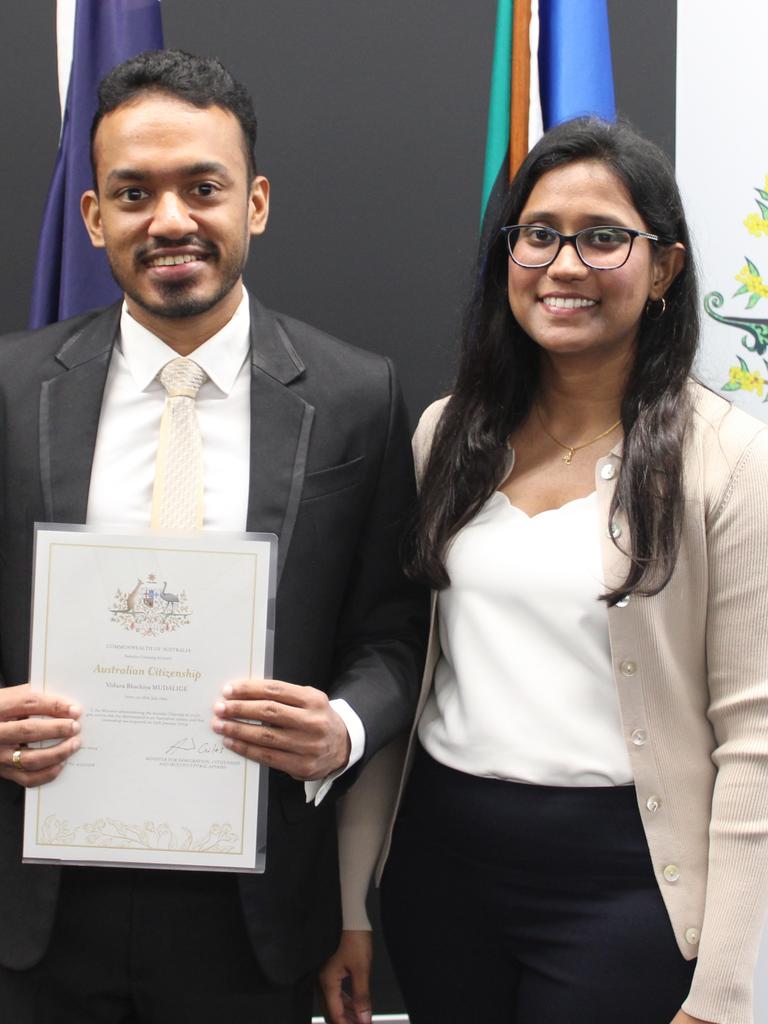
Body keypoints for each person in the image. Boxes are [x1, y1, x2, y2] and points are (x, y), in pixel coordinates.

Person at [0, 49, 425, 1024]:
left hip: (255, 918)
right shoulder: (12, 391)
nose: (172, 220)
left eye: (203, 187)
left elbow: (396, 629)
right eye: (134, 193)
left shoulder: (357, 396)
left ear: (256, 202)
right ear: (93, 215)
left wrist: (342, 730)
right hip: (37, 908)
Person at [320, 117, 768, 1024]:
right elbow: (405, 671)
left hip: (623, 886)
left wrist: (721, 991)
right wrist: (348, 908)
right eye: (538, 234)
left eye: (604, 237)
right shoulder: (444, 437)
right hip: (440, 874)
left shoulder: (728, 460)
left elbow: (755, 736)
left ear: (665, 270)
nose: (565, 265)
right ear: (507, 254)